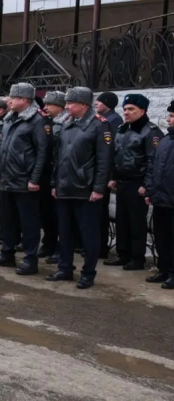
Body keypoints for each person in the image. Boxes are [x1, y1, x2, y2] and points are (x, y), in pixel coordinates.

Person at [47, 86, 113, 289]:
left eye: (70, 103)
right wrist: (54, 183)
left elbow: (104, 160)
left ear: (83, 105)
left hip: (86, 189)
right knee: (65, 232)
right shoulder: (67, 123)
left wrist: (99, 188)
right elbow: (58, 158)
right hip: (65, 187)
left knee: (88, 235)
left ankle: (88, 273)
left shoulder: (100, 125)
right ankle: (65, 267)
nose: (66, 107)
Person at [0, 82, 49, 276]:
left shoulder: (37, 121)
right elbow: (1, 150)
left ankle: (30, 260)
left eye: (13, 98)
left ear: (24, 100)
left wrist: (35, 179)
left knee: (28, 223)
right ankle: (7, 253)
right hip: (7, 178)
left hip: (25, 181)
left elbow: (42, 152)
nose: (9, 101)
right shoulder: (8, 119)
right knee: (7, 220)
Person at [105, 93, 159, 271]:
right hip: (122, 182)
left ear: (142, 111)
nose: (126, 112)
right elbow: (117, 155)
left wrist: (146, 185)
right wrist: (114, 177)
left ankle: (137, 258)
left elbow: (153, 161)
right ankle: (123, 254)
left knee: (136, 223)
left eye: (131, 109)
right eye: (125, 109)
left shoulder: (150, 132)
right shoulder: (122, 129)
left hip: (138, 184)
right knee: (122, 221)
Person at [145, 101, 174, 289]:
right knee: (162, 237)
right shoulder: (165, 140)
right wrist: (150, 190)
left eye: (172, 116)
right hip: (161, 200)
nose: (168, 119)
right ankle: (163, 269)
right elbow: (153, 166)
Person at [40, 91, 68, 263]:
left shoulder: (65, 123)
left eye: (49, 104)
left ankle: (60, 247)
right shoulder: (48, 122)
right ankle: (48, 243)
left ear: (59, 106)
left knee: (60, 215)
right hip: (46, 174)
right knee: (46, 213)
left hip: (59, 174)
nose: (45, 108)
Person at [95, 91, 123, 259]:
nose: (96, 104)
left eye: (100, 101)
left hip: (105, 173)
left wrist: (110, 175)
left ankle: (101, 247)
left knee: (100, 213)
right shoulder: (101, 119)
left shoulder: (114, 120)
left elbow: (110, 148)